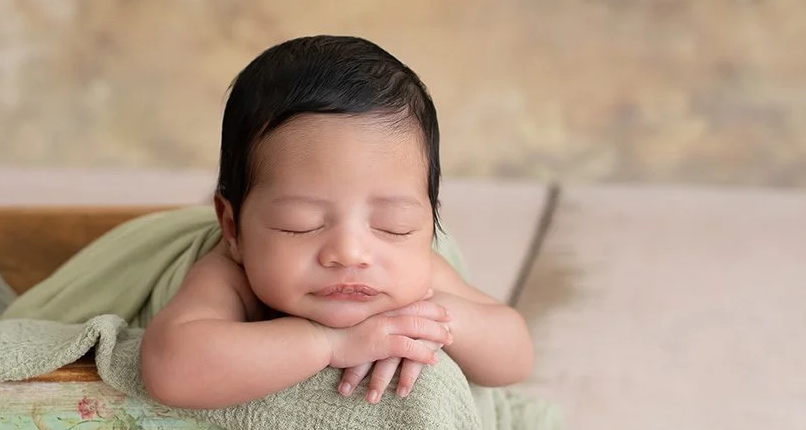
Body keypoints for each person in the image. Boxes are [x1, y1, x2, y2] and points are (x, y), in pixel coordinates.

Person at [139, 35, 534, 411]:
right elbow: (171, 368)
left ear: (427, 224)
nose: (349, 252)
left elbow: (517, 355)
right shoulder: (228, 273)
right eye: (300, 223)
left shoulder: (417, 272)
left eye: (392, 225)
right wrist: (328, 342)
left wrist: (440, 320)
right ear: (232, 228)